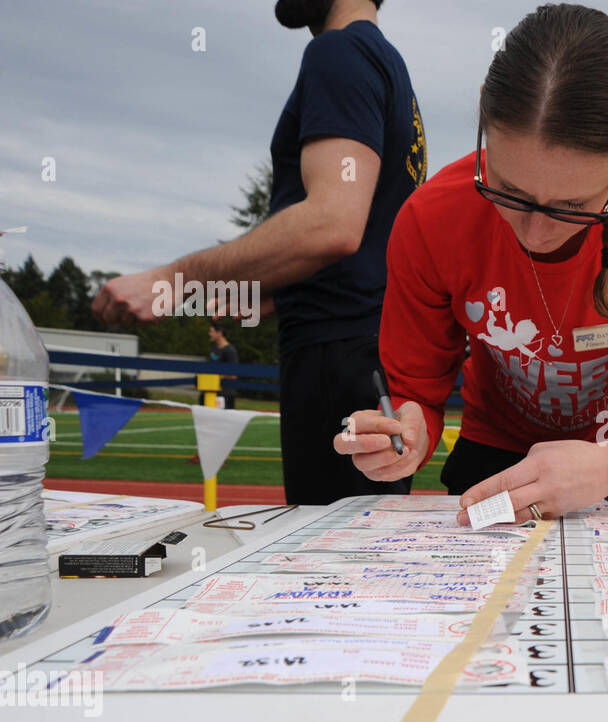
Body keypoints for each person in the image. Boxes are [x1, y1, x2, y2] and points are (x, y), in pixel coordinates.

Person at [334, 4, 608, 523]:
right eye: (508, 190)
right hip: (496, 462)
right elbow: (416, 393)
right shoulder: (431, 219)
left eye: (572, 206)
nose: (536, 233)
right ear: (484, 116)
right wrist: (409, 433)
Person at [93, 0, 424, 506]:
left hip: (333, 363)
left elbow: (333, 223)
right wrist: (273, 294)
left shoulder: (337, 53)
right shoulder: (388, 64)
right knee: (356, 562)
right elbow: (363, 240)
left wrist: (174, 280)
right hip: (364, 357)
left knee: (332, 568)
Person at [208, 321, 239, 410]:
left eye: (211, 331)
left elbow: (234, 375)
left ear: (219, 333)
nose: (209, 334)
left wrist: (216, 377)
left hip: (226, 394)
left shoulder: (230, 351)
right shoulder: (213, 349)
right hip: (212, 392)